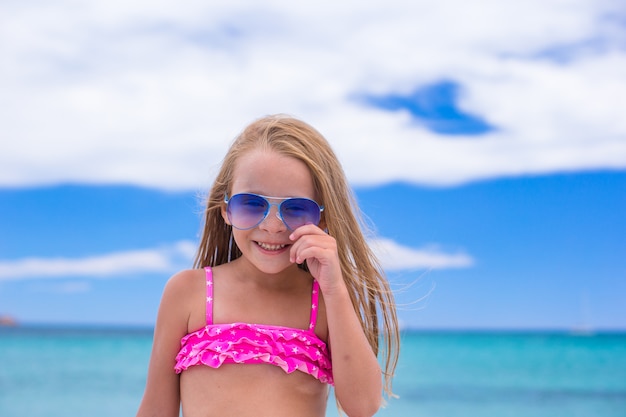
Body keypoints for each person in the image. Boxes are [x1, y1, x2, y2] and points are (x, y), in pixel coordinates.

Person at [136, 115, 399, 417]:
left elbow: (363, 406)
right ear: (226, 210)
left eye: (296, 208)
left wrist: (335, 288)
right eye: (252, 204)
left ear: (322, 218)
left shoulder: (325, 301)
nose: (273, 226)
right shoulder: (188, 292)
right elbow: (156, 409)